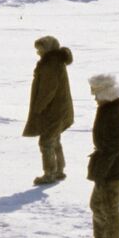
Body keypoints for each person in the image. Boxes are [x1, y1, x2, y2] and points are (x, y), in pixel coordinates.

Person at [81, 74, 119, 238]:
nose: (95, 98)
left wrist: (101, 172)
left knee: (110, 206)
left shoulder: (113, 113)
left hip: (113, 167)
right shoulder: (108, 109)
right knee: (97, 204)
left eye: (97, 93)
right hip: (107, 165)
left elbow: (114, 147)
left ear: (106, 93)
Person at [22, 35, 74, 185]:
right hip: (60, 108)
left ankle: (50, 173)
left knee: (46, 142)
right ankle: (59, 170)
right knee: (54, 139)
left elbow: (48, 90)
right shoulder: (55, 61)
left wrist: (39, 107)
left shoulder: (50, 64)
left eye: (40, 49)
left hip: (54, 110)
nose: (38, 53)